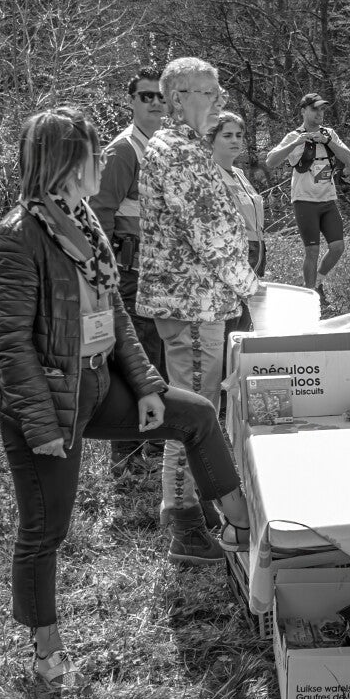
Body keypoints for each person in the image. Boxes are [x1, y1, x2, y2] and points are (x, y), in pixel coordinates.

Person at [0, 107, 258, 688]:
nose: (104, 162)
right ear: (65, 163)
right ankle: (45, 655)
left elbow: (115, 319)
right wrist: (43, 428)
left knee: (195, 414)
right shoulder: (15, 237)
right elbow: (10, 345)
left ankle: (243, 530)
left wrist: (148, 386)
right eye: (94, 154)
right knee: (45, 530)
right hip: (50, 404)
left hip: (99, 385)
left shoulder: (83, 222)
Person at [139, 58, 267, 559]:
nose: (217, 100)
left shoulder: (187, 148)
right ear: (178, 98)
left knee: (199, 413)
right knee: (192, 416)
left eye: (218, 92)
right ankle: (185, 526)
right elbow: (211, 234)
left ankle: (195, 506)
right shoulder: (177, 152)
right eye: (208, 93)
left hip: (197, 300)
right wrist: (252, 288)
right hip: (191, 303)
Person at [93, 65, 170, 478]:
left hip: (158, 275)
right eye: (146, 96)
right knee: (133, 364)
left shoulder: (160, 147)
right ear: (131, 101)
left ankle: (153, 445)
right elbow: (99, 216)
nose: (155, 102)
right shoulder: (124, 150)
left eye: (161, 96)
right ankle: (124, 459)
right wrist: (105, 276)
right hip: (129, 275)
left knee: (157, 360)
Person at [265, 93, 350, 306]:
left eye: (322, 109)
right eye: (315, 109)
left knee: (338, 247)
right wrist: (295, 143)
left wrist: (328, 141)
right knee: (312, 250)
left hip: (328, 199)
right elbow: (270, 161)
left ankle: (318, 282)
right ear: (303, 111)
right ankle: (310, 296)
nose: (319, 113)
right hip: (304, 200)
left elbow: (349, 159)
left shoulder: (329, 133)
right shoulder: (293, 136)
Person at [206, 109, 266, 336]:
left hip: (255, 254)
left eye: (239, 135)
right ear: (211, 139)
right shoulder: (208, 174)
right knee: (230, 326)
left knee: (245, 325)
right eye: (227, 135)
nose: (235, 140)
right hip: (232, 257)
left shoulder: (239, 173)